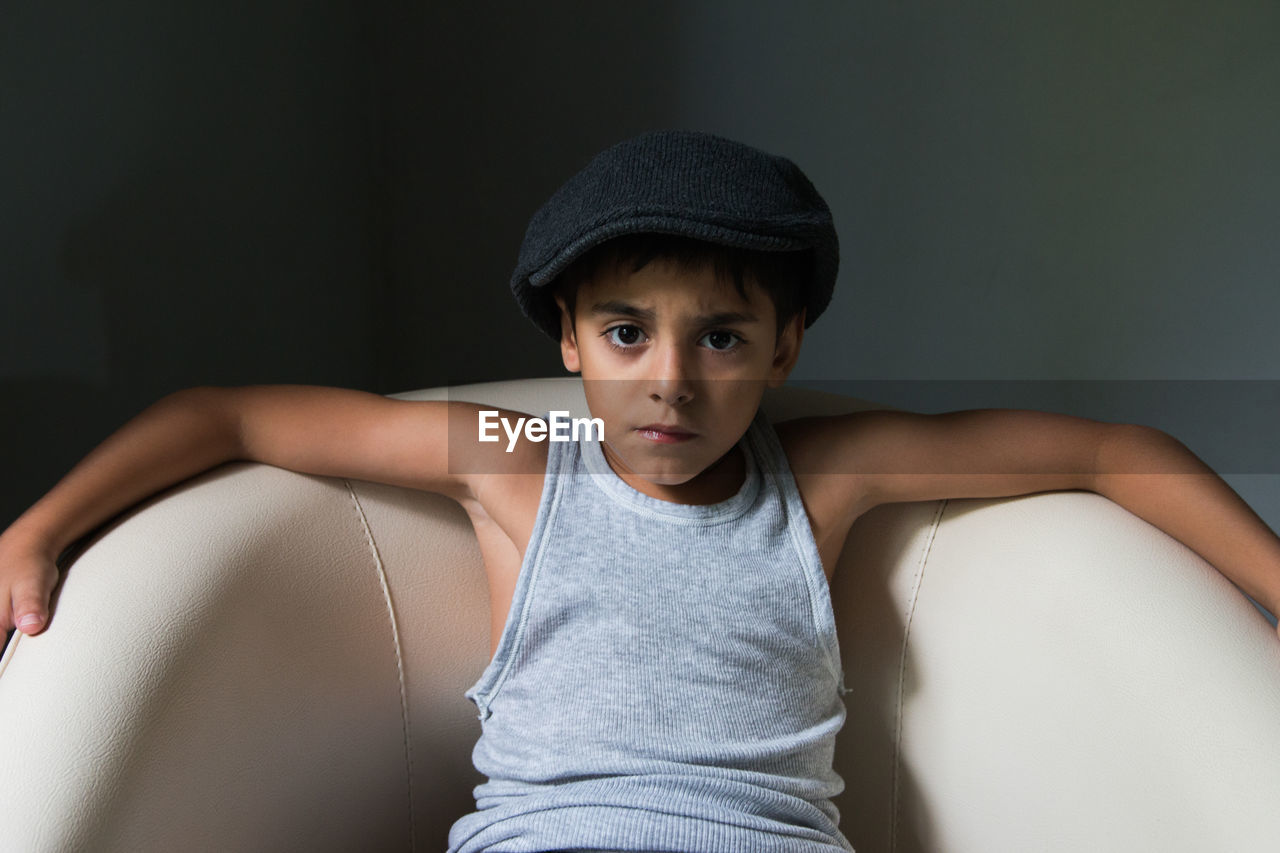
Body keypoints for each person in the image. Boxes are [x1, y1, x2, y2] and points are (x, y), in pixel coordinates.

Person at [1, 130, 1278, 851]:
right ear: (568, 340)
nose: (669, 381)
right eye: (625, 334)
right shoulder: (517, 454)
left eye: (719, 338)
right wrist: (44, 528)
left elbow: (1112, 452)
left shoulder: (817, 476)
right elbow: (226, 415)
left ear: (783, 351)